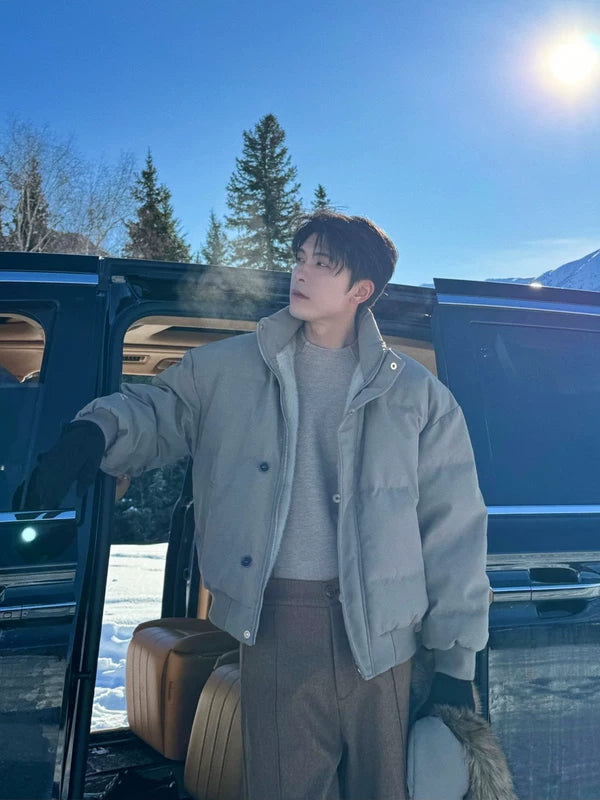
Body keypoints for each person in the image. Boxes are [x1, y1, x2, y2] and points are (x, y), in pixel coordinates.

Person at [20, 211, 490, 800]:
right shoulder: (228, 368)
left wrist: (454, 664)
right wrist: (96, 431)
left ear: (361, 290)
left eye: (323, 264)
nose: (301, 272)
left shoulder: (419, 396)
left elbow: (453, 533)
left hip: (386, 640)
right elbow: (156, 410)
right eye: (300, 258)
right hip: (276, 626)